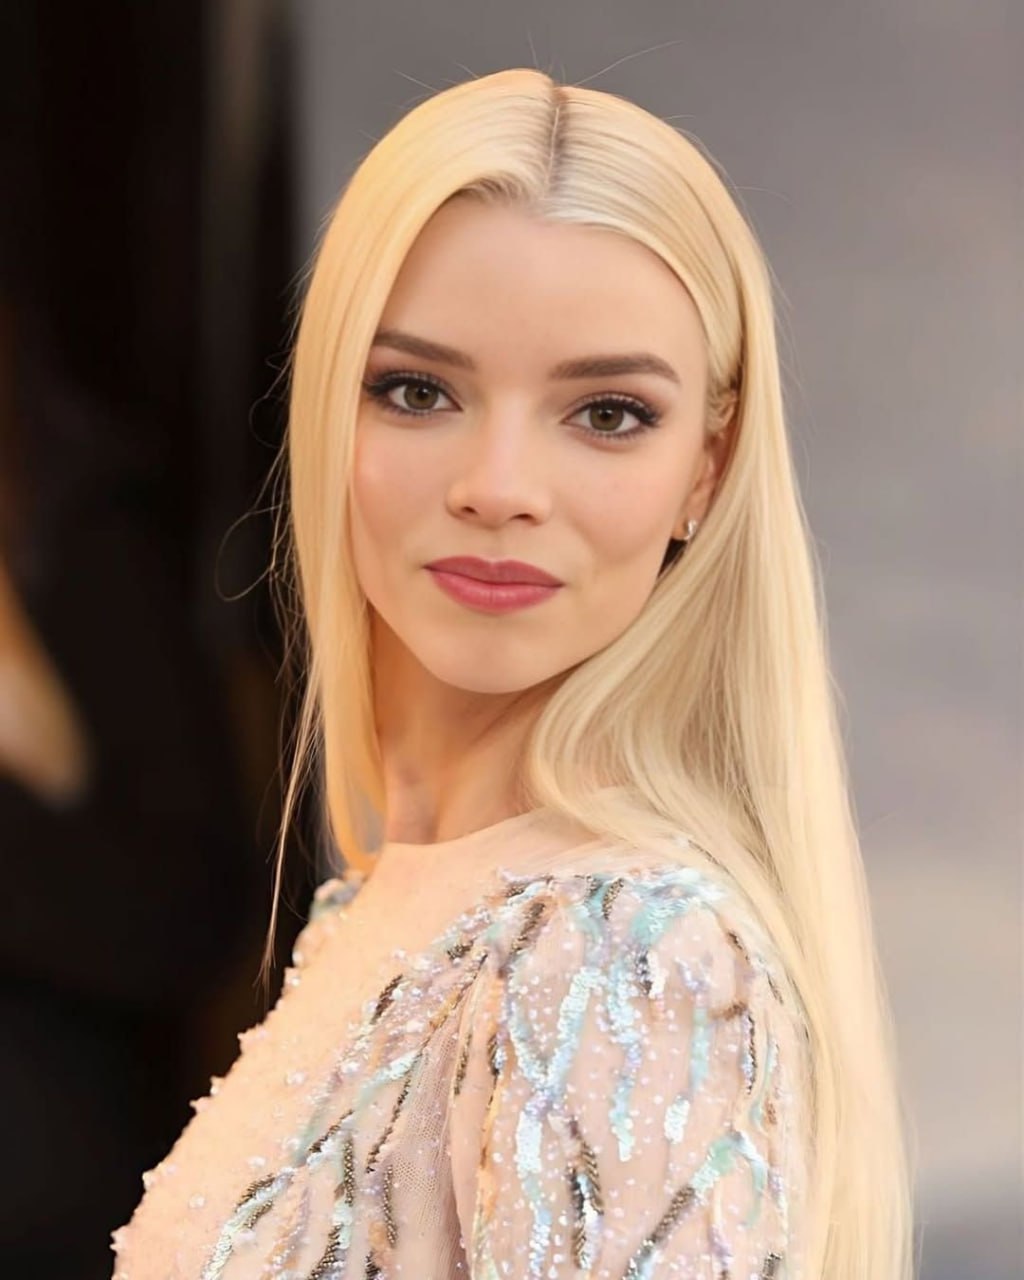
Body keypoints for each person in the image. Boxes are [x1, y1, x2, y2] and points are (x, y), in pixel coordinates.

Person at [110, 68, 915, 1279]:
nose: (497, 486)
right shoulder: (389, 902)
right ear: (329, 415)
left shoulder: (624, 947)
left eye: (606, 413)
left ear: (706, 469)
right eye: (416, 390)